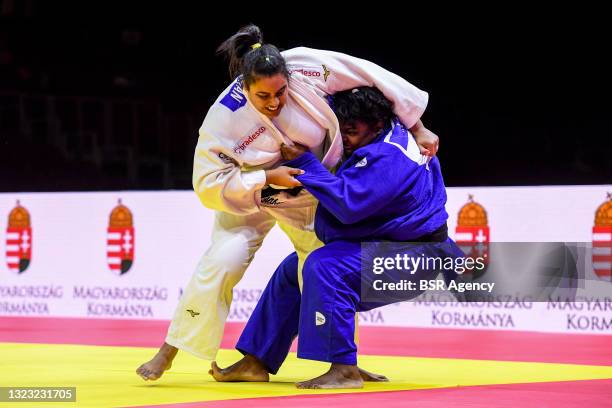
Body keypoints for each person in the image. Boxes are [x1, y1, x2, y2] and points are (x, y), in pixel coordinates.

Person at [136, 24, 438, 381]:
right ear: (244, 86)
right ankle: (169, 350)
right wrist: (264, 178)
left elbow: (371, 75)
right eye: (264, 96)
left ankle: (340, 363)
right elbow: (205, 185)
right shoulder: (222, 120)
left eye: (280, 91)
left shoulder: (304, 66)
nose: (275, 101)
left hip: (306, 192)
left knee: (320, 266)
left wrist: (416, 125)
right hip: (248, 192)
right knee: (223, 260)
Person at [210, 87, 462, 389]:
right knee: (296, 269)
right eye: (342, 130)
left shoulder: (389, 155)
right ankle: (257, 360)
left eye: (351, 132)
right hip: (396, 247)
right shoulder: (393, 131)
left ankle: (344, 369)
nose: (345, 139)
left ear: (378, 123)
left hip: (415, 257)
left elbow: (347, 205)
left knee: (325, 266)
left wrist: (307, 163)